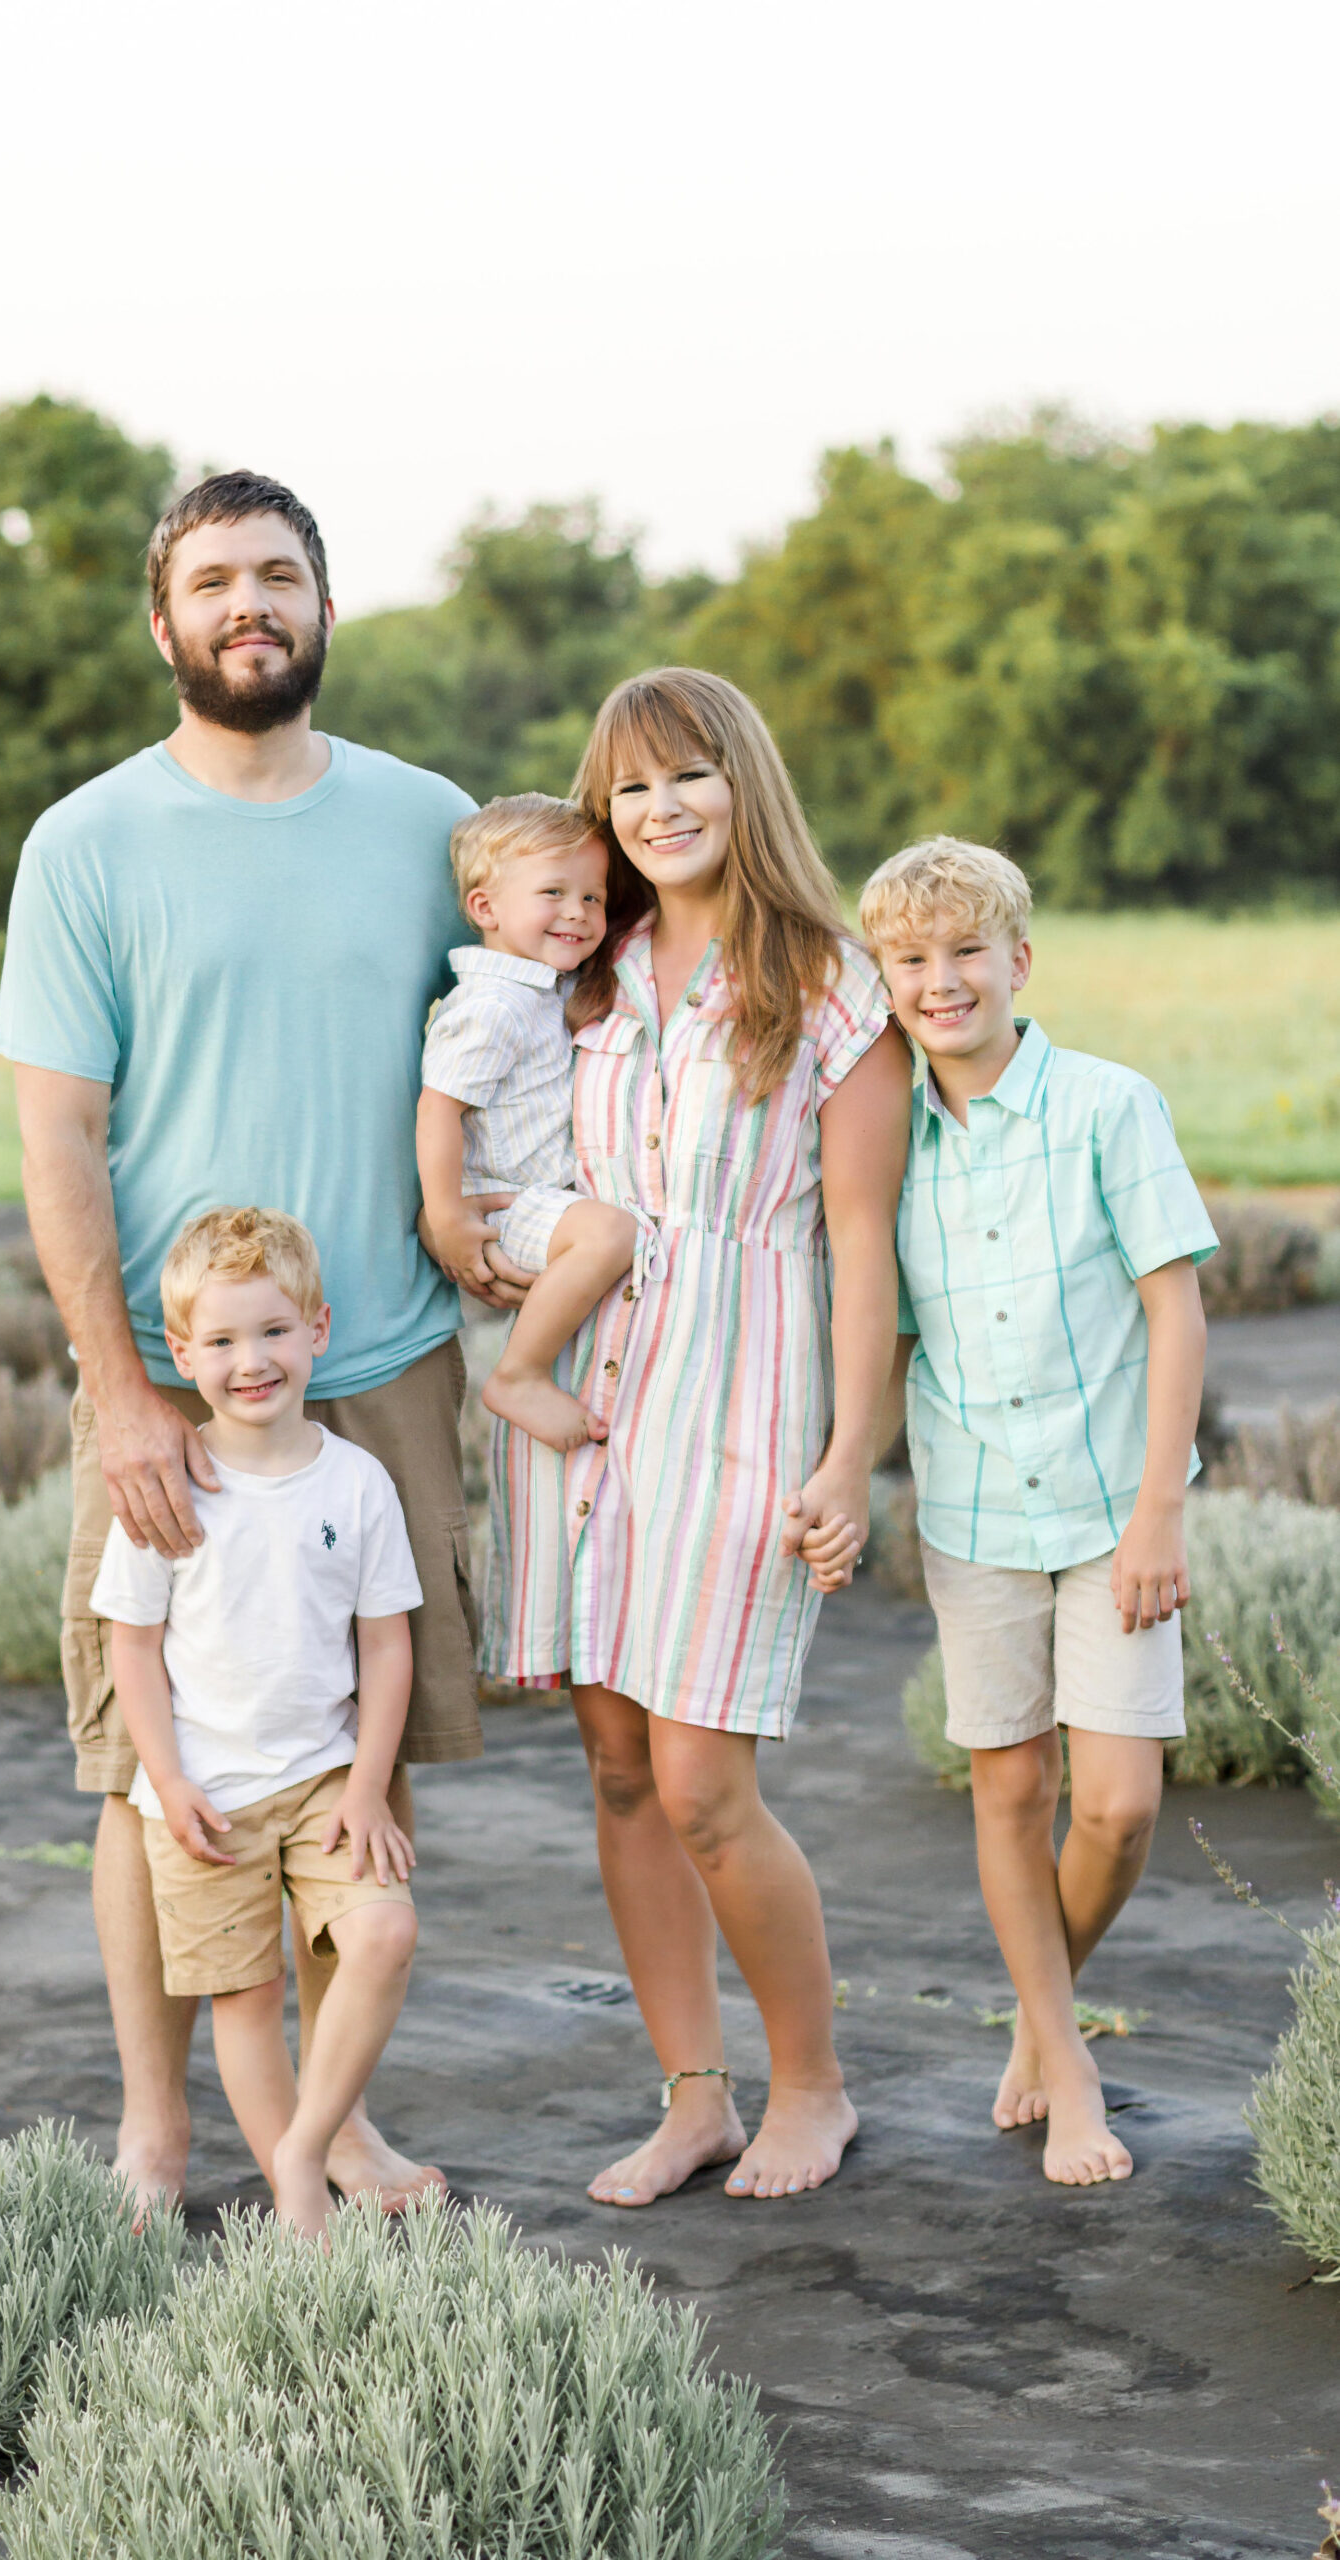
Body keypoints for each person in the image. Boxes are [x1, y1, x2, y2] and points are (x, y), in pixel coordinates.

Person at [0, 469, 490, 2223]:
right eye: (213, 581)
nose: (247, 604)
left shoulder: (430, 827)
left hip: (389, 1355)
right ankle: (157, 2124)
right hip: (175, 1378)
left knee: (352, 1760)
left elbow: (515, 1051)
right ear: (164, 622)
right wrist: (123, 1393)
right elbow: (59, 1136)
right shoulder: (89, 843)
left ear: (328, 606)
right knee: (156, 1772)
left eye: (279, 574)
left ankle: (331, 2123)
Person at [484, 667, 910, 2207]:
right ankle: (692, 2096)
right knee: (613, 1771)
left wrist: (846, 1453)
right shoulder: (574, 978)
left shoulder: (831, 985)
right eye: (626, 791)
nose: (656, 812)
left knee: (701, 1784)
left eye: (685, 778)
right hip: (585, 1397)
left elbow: (861, 1247)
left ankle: (813, 2087)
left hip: (745, 1394)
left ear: (744, 785)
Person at [857, 836, 1215, 2187]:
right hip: (968, 1514)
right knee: (1008, 1788)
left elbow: (1170, 1311)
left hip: (1110, 1508)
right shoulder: (885, 1137)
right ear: (883, 977)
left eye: (964, 953)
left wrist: (1156, 1513)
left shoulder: (1107, 1107)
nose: (939, 981)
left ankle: (1038, 2004)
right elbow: (885, 1339)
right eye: (909, 960)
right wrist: (845, 1477)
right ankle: (1064, 2066)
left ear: (1017, 958)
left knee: (1115, 1805)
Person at [93, 1208, 424, 2238]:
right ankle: (298, 2198)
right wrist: (169, 1776)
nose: (252, 1360)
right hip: (208, 1793)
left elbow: (386, 1644)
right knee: (245, 1996)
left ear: (318, 1328)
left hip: (327, 1778)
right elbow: (133, 1649)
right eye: (224, 1340)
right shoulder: (170, 1488)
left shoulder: (357, 1483)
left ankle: (305, 2143)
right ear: (182, 1353)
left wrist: (368, 1783)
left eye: (274, 1331)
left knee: (384, 1931)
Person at [417, 794, 640, 1454]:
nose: (576, 912)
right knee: (609, 1235)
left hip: (537, 1199)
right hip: (506, 1204)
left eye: (592, 898)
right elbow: (439, 1108)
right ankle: (517, 1374)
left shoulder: (543, 988)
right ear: (485, 909)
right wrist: (449, 1218)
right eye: (552, 892)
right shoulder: (493, 1005)